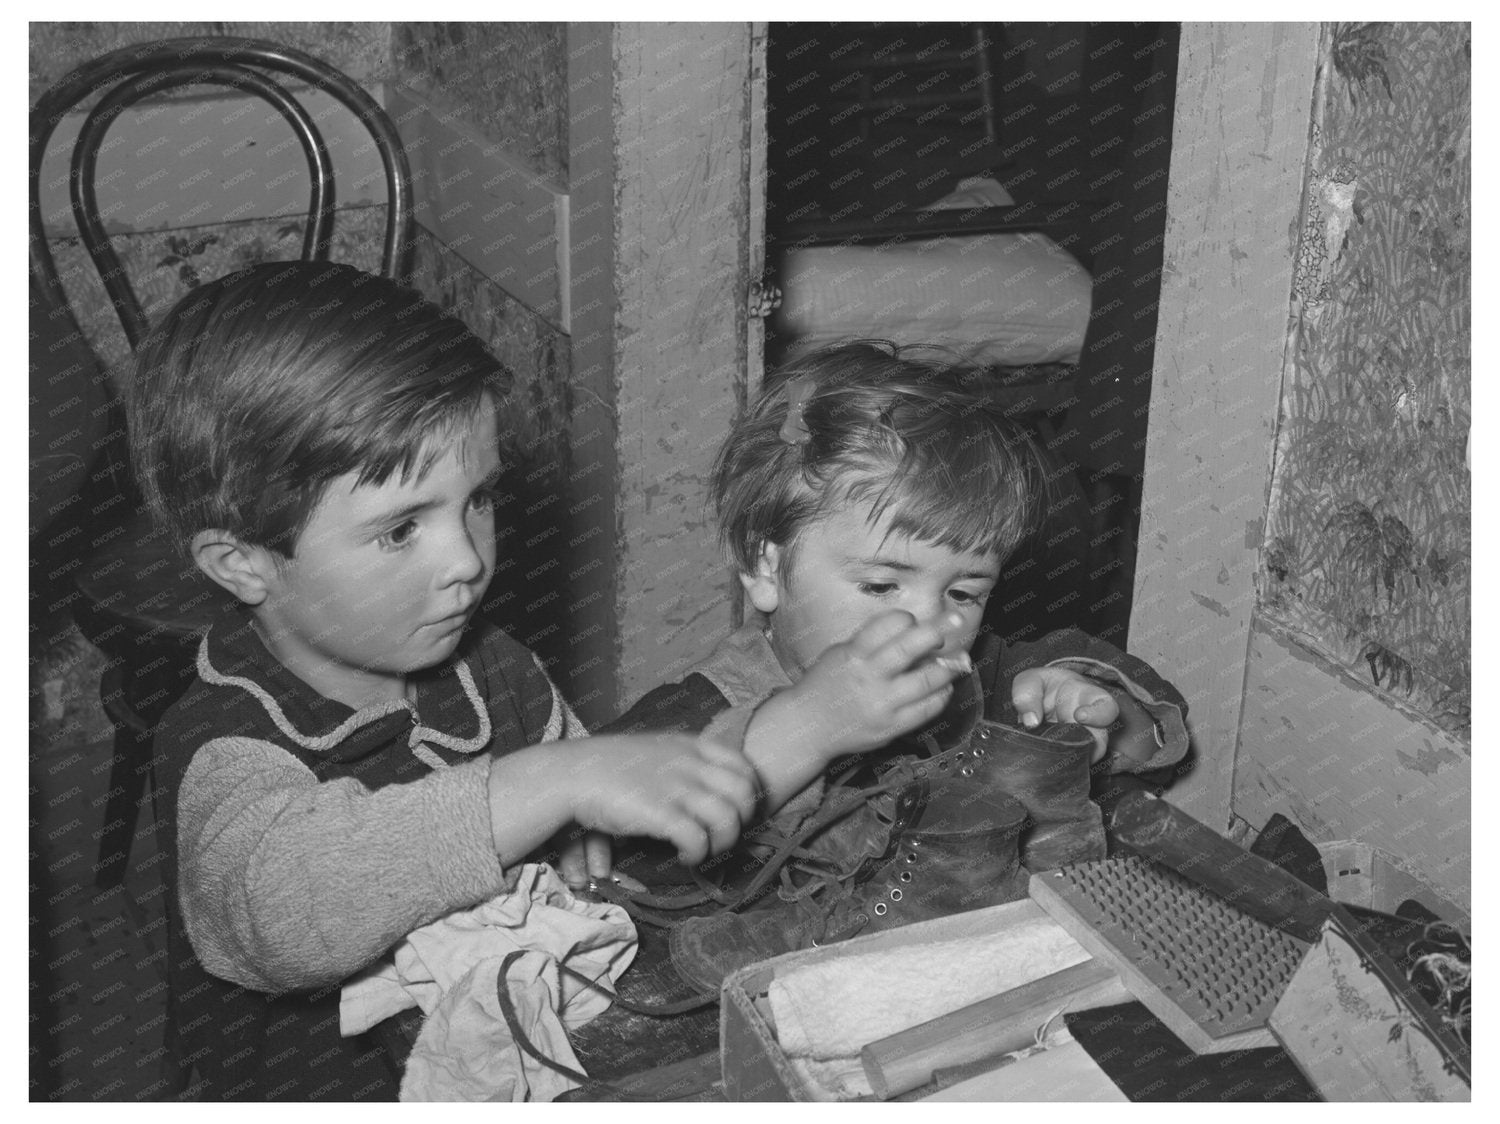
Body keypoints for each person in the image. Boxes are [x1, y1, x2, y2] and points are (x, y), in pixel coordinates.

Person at [127, 261, 779, 1101]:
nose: (467, 560)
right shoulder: (227, 744)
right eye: (401, 531)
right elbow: (285, 914)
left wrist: (582, 829)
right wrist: (553, 782)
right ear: (242, 563)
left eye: (478, 500)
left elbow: (574, 823)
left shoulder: (492, 666)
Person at [589, 341, 1190, 989]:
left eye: (964, 593)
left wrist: (1091, 704)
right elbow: (615, 866)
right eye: (881, 587)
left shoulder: (973, 676)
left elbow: (1146, 727)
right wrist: (807, 731)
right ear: (766, 564)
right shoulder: (687, 720)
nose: (930, 626)